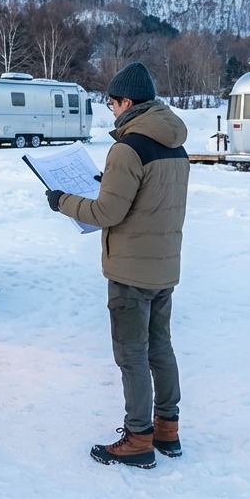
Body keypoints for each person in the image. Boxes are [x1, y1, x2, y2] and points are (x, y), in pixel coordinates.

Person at [45, 62, 190, 469]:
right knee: (160, 347)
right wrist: (109, 185)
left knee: (132, 354)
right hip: (163, 266)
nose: (110, 110)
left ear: (127, 102)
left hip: (130, 270)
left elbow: (107, 213)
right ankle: (167, 429)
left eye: (111, 103)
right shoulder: (174, 144)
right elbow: (149, 198)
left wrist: (62, 201)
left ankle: (138, 438)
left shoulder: (128, 148)